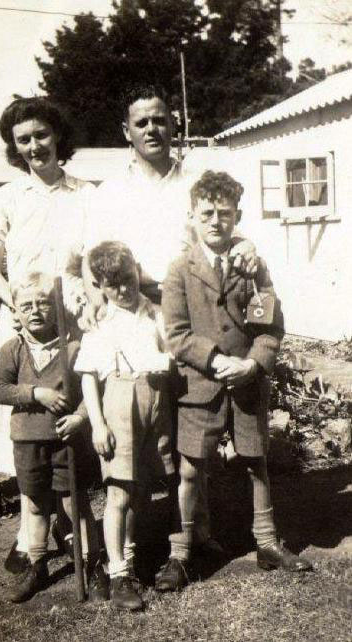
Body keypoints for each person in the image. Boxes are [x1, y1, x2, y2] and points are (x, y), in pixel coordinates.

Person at [82, 83, 257, 550]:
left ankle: (197, 531)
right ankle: (138, 537)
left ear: (174, 123)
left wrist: (248, 246)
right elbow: (89, 257)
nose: (152, 129)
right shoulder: (111, 191)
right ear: (126, 131)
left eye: (160, 119)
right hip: (134, 311)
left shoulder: (193, 181)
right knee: (142, 419)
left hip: (191, 308)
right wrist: (92, 296)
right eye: (142, 122)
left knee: (192, 415)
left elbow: (225, 229)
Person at [157, 170, 313, 592]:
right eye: (206, 213)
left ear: (237, 216)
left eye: (224, 214)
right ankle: (181, 552)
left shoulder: (253, 267)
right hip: (199, 387)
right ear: (191, 215)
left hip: (246, 384)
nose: (214, 221)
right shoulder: (179, 270)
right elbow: (175, 333)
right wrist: (215, 360)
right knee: (190, 472)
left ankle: (266, 543)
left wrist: (253, 364)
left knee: (256, 463)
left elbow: (270, 328)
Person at [0, 97, 93, 571]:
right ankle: (30, 533)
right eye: (22, 139)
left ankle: (73, 526)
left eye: (40, 135)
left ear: (58, 136)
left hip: (74, 322)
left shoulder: (86, 193)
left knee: (68, 415)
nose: (33, 146)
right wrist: (18, 308)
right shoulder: (3, 198)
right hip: (22, 321)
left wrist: (87, 295)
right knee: (24, 422)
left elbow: (93, 259)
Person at [0, 272, 108, 603]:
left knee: (76, 504)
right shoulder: (13, 350)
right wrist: (35, 394)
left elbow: (91, 391)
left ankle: (93, 564)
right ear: (16, 312)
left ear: (56, 307)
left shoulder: (73, 349)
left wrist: (81, 418)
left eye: (43, 303)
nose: (35, 310)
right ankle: (37, 565)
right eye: (26, 305)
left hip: (66, 442)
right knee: (36, 505)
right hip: (28, 443)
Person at [75, 242, 175, 611]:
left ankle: (129, 559)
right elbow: (88, 377)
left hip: (154, 400)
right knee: (118, 493)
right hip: (119, 398)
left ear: (138, 272)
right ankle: (117, 573)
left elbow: (170, 350)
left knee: (141, 489)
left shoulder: (153, 312)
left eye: (128, 280)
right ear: (100, 285)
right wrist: (98, 425)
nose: (123, 290)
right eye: (112, 284)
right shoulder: (101, 321)